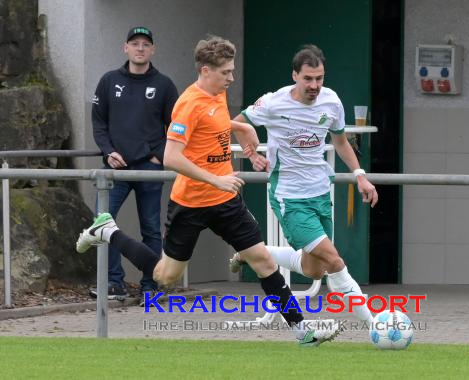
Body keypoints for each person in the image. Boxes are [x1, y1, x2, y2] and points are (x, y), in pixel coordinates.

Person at [78, 36, 341, 347]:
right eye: (226, 72)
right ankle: (108, 231)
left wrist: (240, 128)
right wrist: (216, 180)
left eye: (231, 71)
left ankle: (303, 333)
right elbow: (172, 157)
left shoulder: (218, 92)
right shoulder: (187, 105)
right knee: (165, 277)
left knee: (264, 263)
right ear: (206, 71)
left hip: (226, 200)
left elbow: (215, 123)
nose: (231, 77)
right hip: (190, 203)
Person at [231, 44, 378, 326]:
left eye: (319, 78)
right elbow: (234, 124)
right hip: (289, 197)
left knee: (314, 270)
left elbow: (339, 140)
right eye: (308, 78)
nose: (314, 85)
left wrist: (360, 174)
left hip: (321, 193)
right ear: (295, 76)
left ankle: (253, 251)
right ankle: (375, 327)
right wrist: (251, 153)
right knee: (335, 261)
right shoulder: (273, 103)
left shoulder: (331, 101)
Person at [91, 26, 179, 303]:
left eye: (145, 44)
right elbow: (99, 123)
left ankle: (149, 286)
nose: (140, 48)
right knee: (102, 222)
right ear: (125, 48)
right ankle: (114, 283)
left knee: (151, 229)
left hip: (149, 169)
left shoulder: (164, 85)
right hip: (116, 168)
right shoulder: (108, 81)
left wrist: (160, 154)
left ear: (152, 50)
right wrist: (108, 152)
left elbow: (176, 128)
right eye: (135, 43)